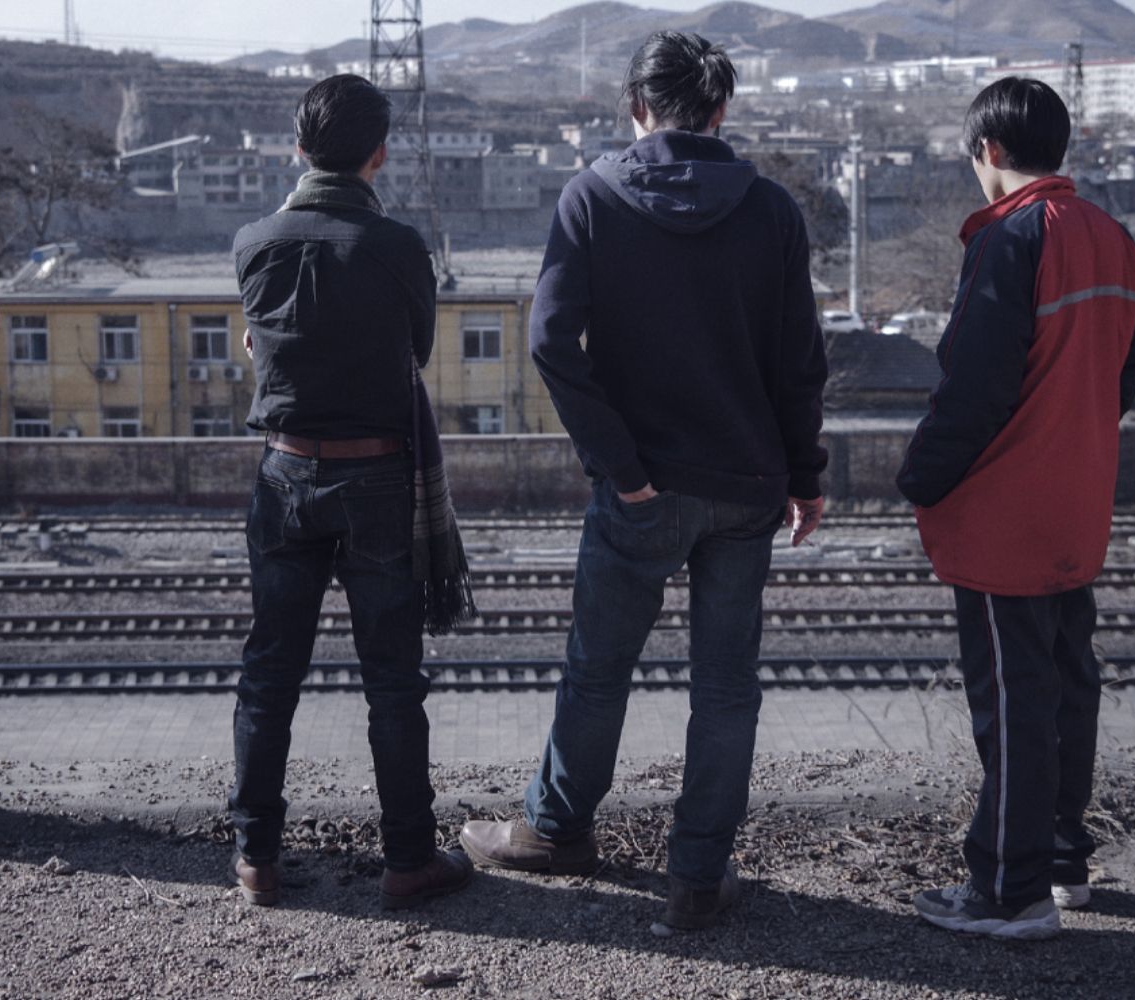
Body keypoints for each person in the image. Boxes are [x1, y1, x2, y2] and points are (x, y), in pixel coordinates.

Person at [459, 31, 828, 931]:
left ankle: (557, 832)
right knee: (727, 686)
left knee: (598, 671)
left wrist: (617, 465)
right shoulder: (772, 210)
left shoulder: (594, 197)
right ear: (721, 110)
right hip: (745, 486)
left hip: (641, 490)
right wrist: (804, 474)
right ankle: (697, 876)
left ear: (637, 109)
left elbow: (549, 343)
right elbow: (800, 360)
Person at [895, 77, 1135, 941]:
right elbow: (1122, 380)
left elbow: (975, 385)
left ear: (989, 152)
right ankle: (1063, 860)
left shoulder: (1011, 237)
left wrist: (920, 478)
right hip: (1079, 500)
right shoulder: (1113, 237)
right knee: (1071, 680)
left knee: (1013, 701)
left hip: (1007, 510)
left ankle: (1010, 890)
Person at [225, 74, 475, 911]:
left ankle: (255, 860)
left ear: (298, 147)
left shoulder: (252, 242)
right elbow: (417, 347)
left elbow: (264, 345)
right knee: (393, 681)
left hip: (285, 471)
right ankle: (408, 860)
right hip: (378, 477)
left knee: (268, 677)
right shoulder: (398, 246)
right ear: (380, 153)